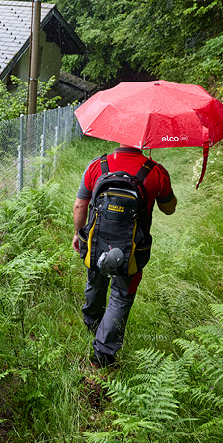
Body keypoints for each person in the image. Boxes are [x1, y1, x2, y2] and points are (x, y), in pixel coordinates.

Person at [72, 144, 177, 367]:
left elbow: (80, 205)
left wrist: (77, 234)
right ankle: (103, 355)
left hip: (97, 241)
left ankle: (92, 323)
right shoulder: (156, 171)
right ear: (145, 141)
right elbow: (169, 209)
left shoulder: (97, 166)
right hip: (132, 249)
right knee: (121, 295)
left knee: (96, 280)